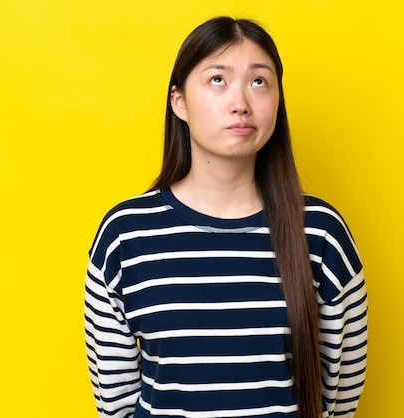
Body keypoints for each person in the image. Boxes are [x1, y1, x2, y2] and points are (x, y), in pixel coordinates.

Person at [84, 16, 368, 418]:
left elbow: (339, 400)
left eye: (259, 82)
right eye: (218, 79)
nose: (241, 103)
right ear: (179, 101)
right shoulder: (125, 236)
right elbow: (115, 404)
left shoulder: (321, 233)